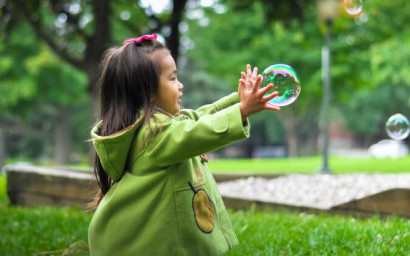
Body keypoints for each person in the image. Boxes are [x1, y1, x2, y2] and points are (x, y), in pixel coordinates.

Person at [88, 33, 280, 256]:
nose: (180, 85)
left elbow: (197, 118)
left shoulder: (159, 126)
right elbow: (197, 131)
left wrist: (238, 100)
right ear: (148, 92)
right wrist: (243, 111)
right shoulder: (153, 135)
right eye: (172, 79)